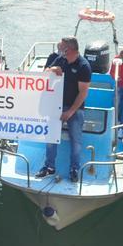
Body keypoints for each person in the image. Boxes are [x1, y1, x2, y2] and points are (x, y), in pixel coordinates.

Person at [36, 37, 91, 182]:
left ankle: (74, 168)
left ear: (70, 49)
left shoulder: (83, 66)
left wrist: (70, 111)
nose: (60, 50)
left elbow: (83, 93)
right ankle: (49, 167)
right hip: (55, 106)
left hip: (75, 108)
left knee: (76, 140)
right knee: (50, 137)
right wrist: (52, 69)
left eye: (63, 48)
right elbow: (44, 73)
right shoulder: (60, 60)